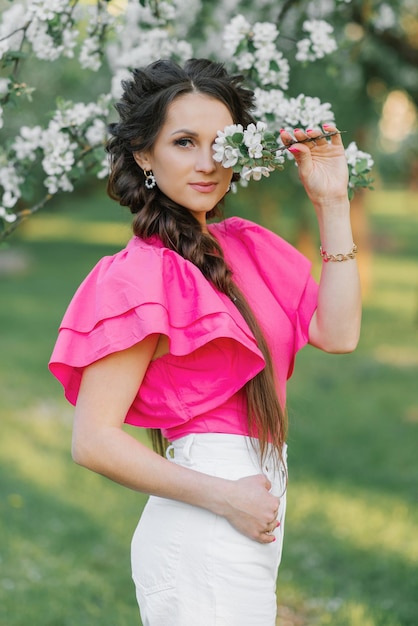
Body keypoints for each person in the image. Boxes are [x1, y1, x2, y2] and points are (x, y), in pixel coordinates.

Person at [49, 58, 361, 626]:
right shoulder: (137, 276)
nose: (205, 163)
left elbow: (338, 334)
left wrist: (332, 203)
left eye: (220, 143)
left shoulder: (247, 245)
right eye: (184, 142)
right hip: (206, 521)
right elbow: (92, 441)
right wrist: (226, 497)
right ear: (144, 155)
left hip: (250, 511)